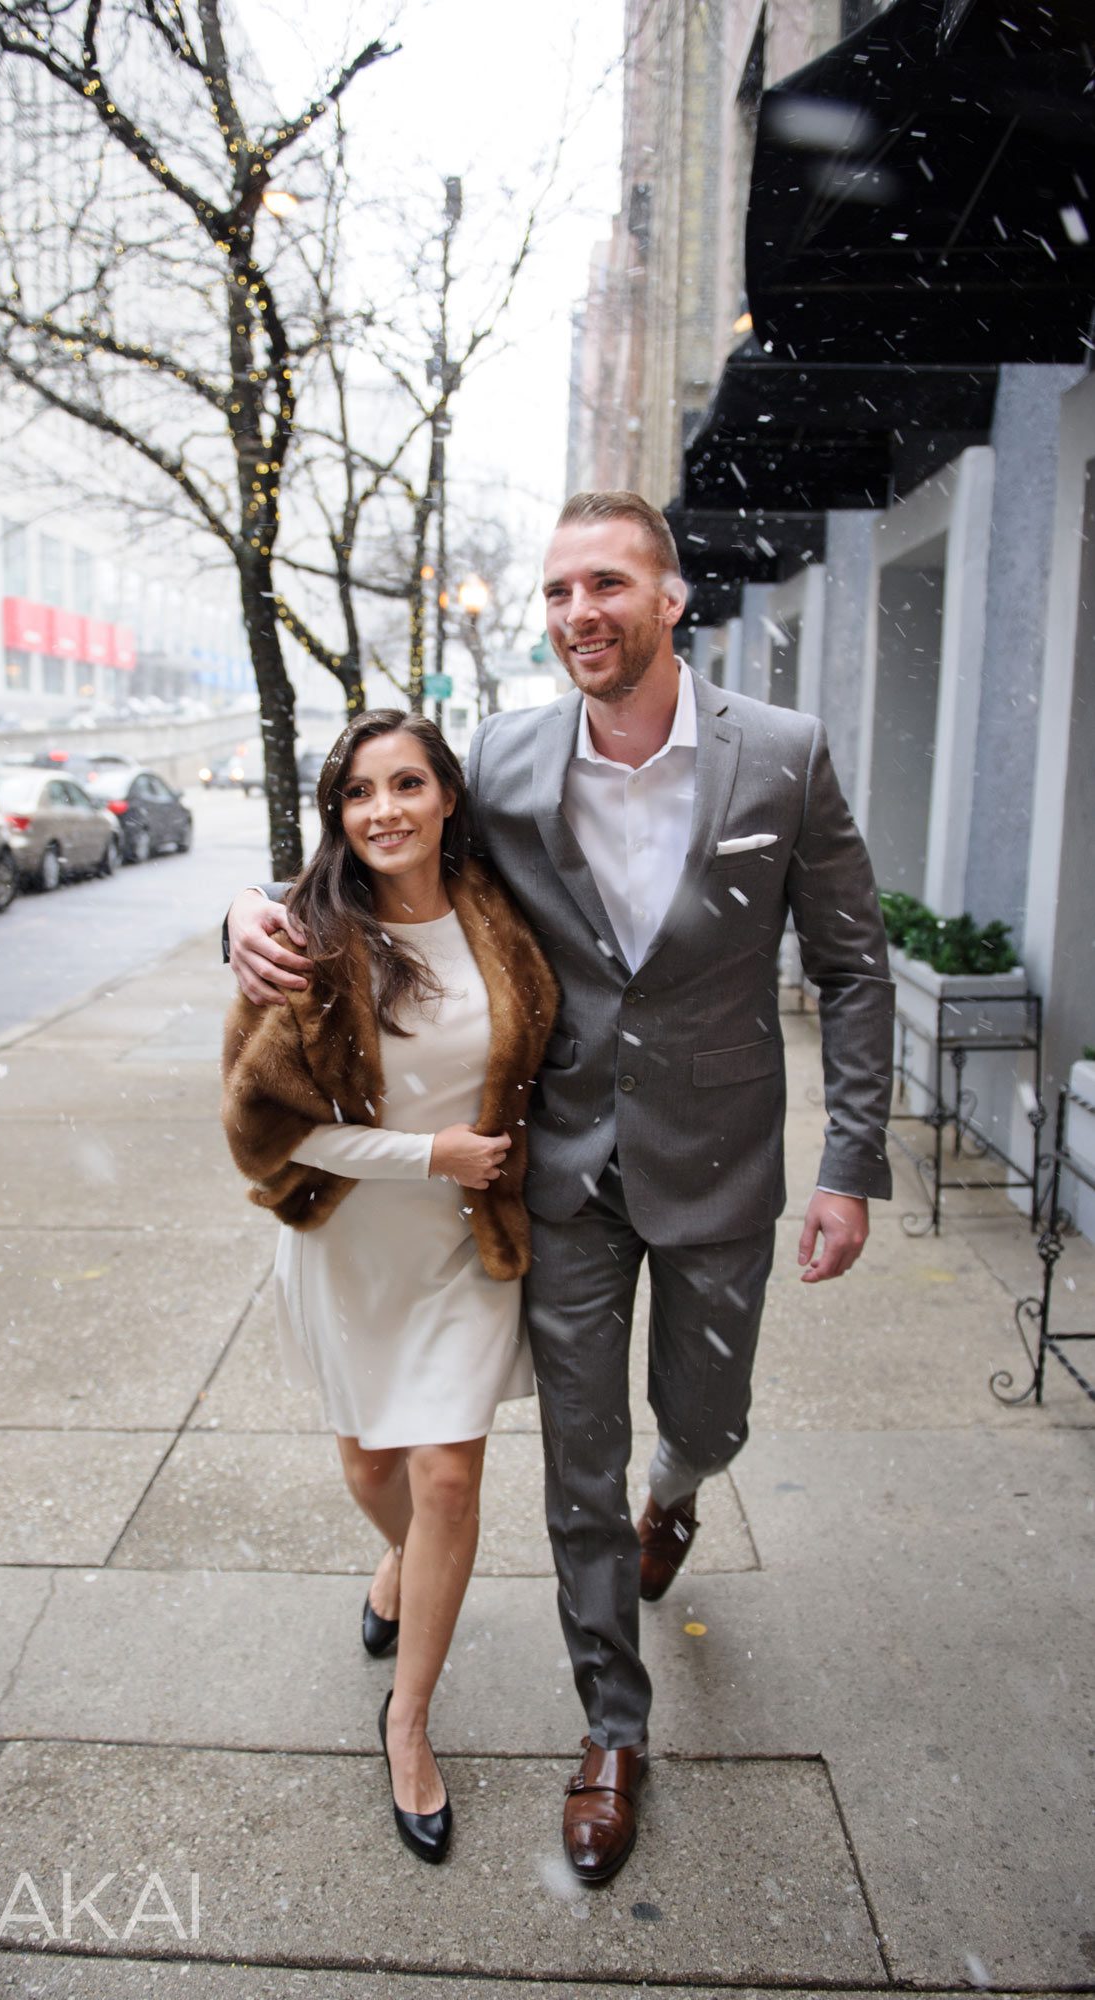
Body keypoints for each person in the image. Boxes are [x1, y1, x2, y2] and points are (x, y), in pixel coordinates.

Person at [226, 492, 894, 1886]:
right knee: (568, 1475)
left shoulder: (779, 760)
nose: (578, 614)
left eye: (606, 585)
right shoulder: (513, 763)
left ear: (667, 601)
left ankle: (683, 1488)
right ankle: (610, 1729)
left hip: (720, 1169)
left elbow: (850, 967)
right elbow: (374, 857)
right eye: (555, 593)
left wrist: (848, 1163)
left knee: (701, 1419)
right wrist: (237, 920)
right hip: (565, 1180)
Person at [220, 708, 557, 1866]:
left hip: (467, 1244)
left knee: (448, 1474)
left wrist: (468, 1169)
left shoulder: (499, 918)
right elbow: (263, 1131)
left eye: (406, 783)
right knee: (371, 1465)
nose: (384, 811)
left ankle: (407, 1721)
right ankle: (398, 1561)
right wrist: (426, 1154)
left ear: (447, 795)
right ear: (336, 815)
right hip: (348, 1241)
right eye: (359, 794)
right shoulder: (304, 939)